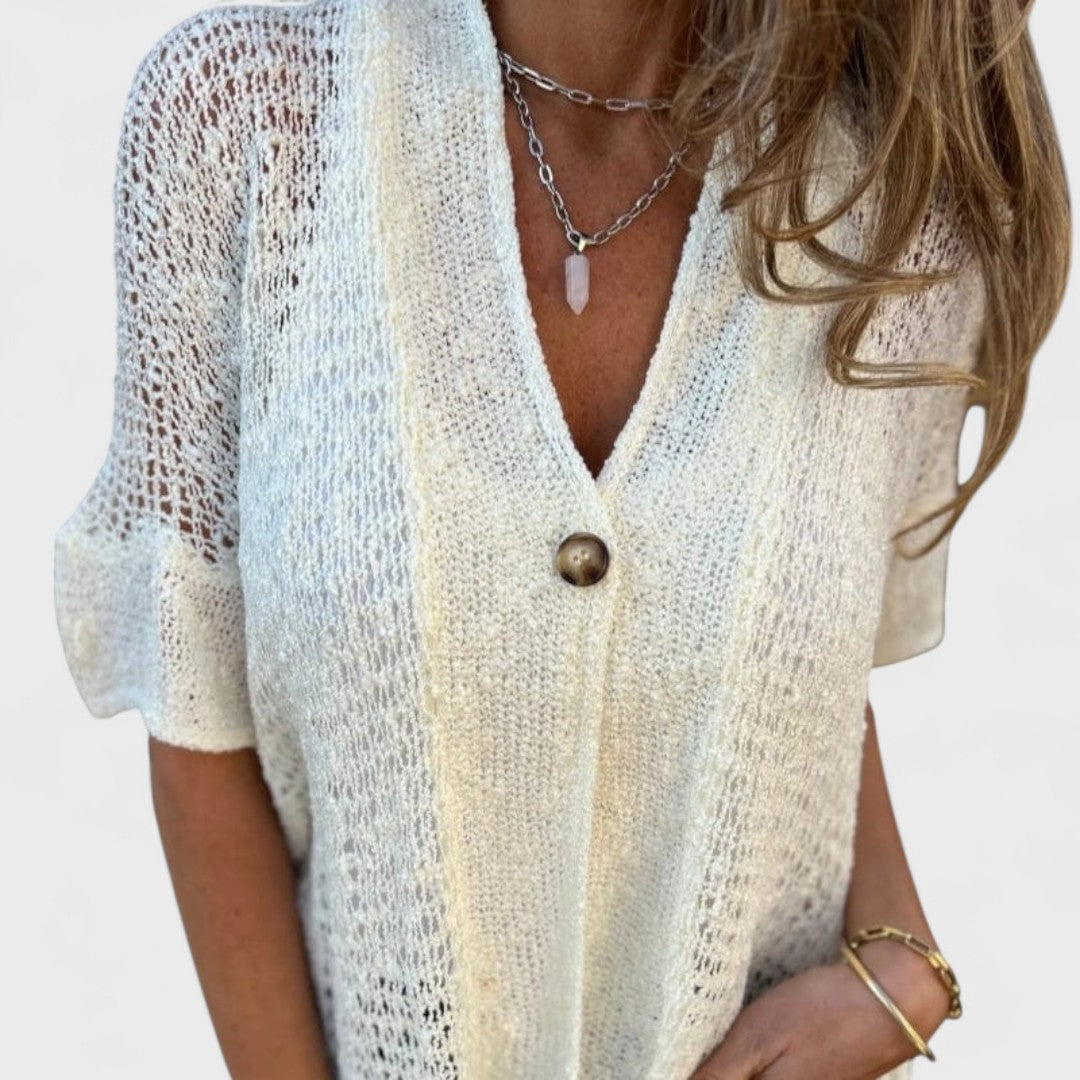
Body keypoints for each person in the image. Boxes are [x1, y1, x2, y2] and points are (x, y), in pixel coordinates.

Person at [52, 1, 1067, 1078]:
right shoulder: (246, 118)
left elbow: (790, 656)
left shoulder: (897, 201)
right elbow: (196, 699)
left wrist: (901, 960)